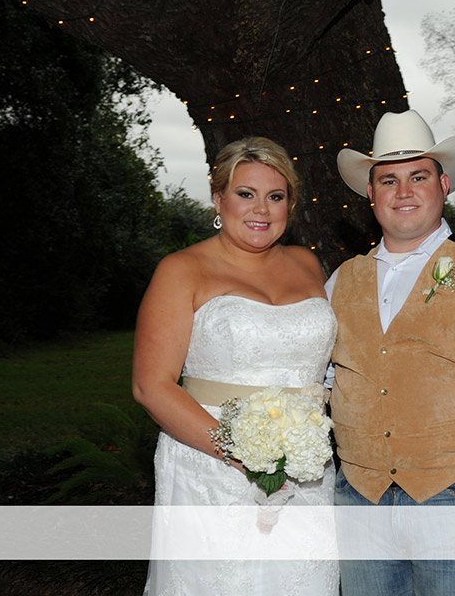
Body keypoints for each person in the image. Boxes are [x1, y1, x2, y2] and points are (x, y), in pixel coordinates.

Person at [326, 110, 455, 595]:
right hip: (359, 501)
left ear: (443, 185)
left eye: (418, 177)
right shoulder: (340, 281)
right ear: (370, 193)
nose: (403, 191)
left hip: (452, 499)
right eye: (388, 180)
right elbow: (326, 382)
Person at [133, 137, 339, 595]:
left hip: (305, 468)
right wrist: (247, 457)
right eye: (246, 193)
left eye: (275, 196)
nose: (261, 209)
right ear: (218, 198)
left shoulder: (308, 264)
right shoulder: (181, 270)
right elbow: (151, 386)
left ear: (290, 206)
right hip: (211, 469)